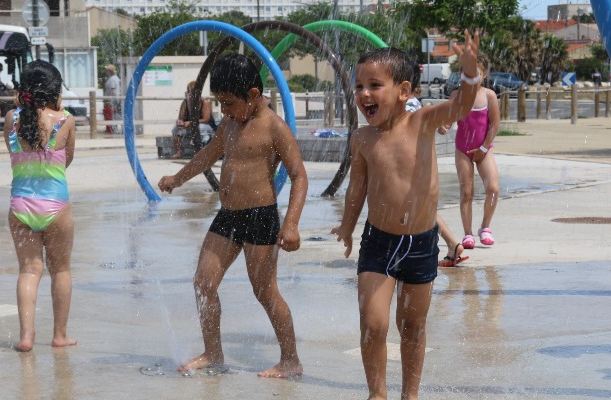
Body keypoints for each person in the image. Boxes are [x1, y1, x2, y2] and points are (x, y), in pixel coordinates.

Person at [331, 31, 481, 399]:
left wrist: (469, 70)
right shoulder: (362, 139)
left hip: (420, 243)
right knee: (373, 322)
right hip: (378, 242)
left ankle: (409, 394)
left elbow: (461, 107)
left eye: (375, 85)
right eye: (359, 86)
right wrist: (348, 227)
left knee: (412, 325)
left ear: (403, 90)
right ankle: (377, 393)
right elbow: (356, 189)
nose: (365, 93)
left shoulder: (423, 122)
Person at [158, 54, 308, 379]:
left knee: (265, 292)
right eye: (220, 103)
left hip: (260, 217)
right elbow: (206, 156)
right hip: (228, 217)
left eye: (228, 103)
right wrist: (177, 178)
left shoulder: (274, 127)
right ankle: (212, 352)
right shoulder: (228, 123)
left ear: (253, 95)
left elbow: (299, 175)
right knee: (202, 282)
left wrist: (292, 223)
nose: (224, 110)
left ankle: (290, 359)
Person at [3, 60, 77, 352]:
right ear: (56, 92)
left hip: (20, 205)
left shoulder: (11, 118)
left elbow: (13, 152)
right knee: (60, 270)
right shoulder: (66, 120)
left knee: (28, 270)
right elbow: (68, 159)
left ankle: (26, 336)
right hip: (56, 205)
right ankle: (59, 335)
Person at [405, 63, 467, 267]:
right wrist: (443, 125)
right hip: (420, 163)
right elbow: (436, 127)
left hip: (409, 165)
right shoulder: (417, 104)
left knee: (418, 208)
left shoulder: (406, 105)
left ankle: (450, 243)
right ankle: (451, 244)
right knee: (421, 208)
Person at [440, 54, 500, 250]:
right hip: (463, 149)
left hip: (484, 147)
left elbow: (494, 125)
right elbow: (447, 121)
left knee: (493, 188)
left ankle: (485, 227)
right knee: (467, 192)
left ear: (484, 74)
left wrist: (483, 149)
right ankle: (468, 233)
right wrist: (443, 127)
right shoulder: (457, 96)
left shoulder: (489, 95)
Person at [103, 64, 121, 134]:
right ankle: (113, 128)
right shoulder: (115, 78)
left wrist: (110, 100)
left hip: (113, 99)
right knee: (113, 113)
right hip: (114, 99)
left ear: (110, 71)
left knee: (113, 114)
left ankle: (113, 128)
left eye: (107, 70)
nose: (106, 72)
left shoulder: (113, 79)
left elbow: (112, 90)